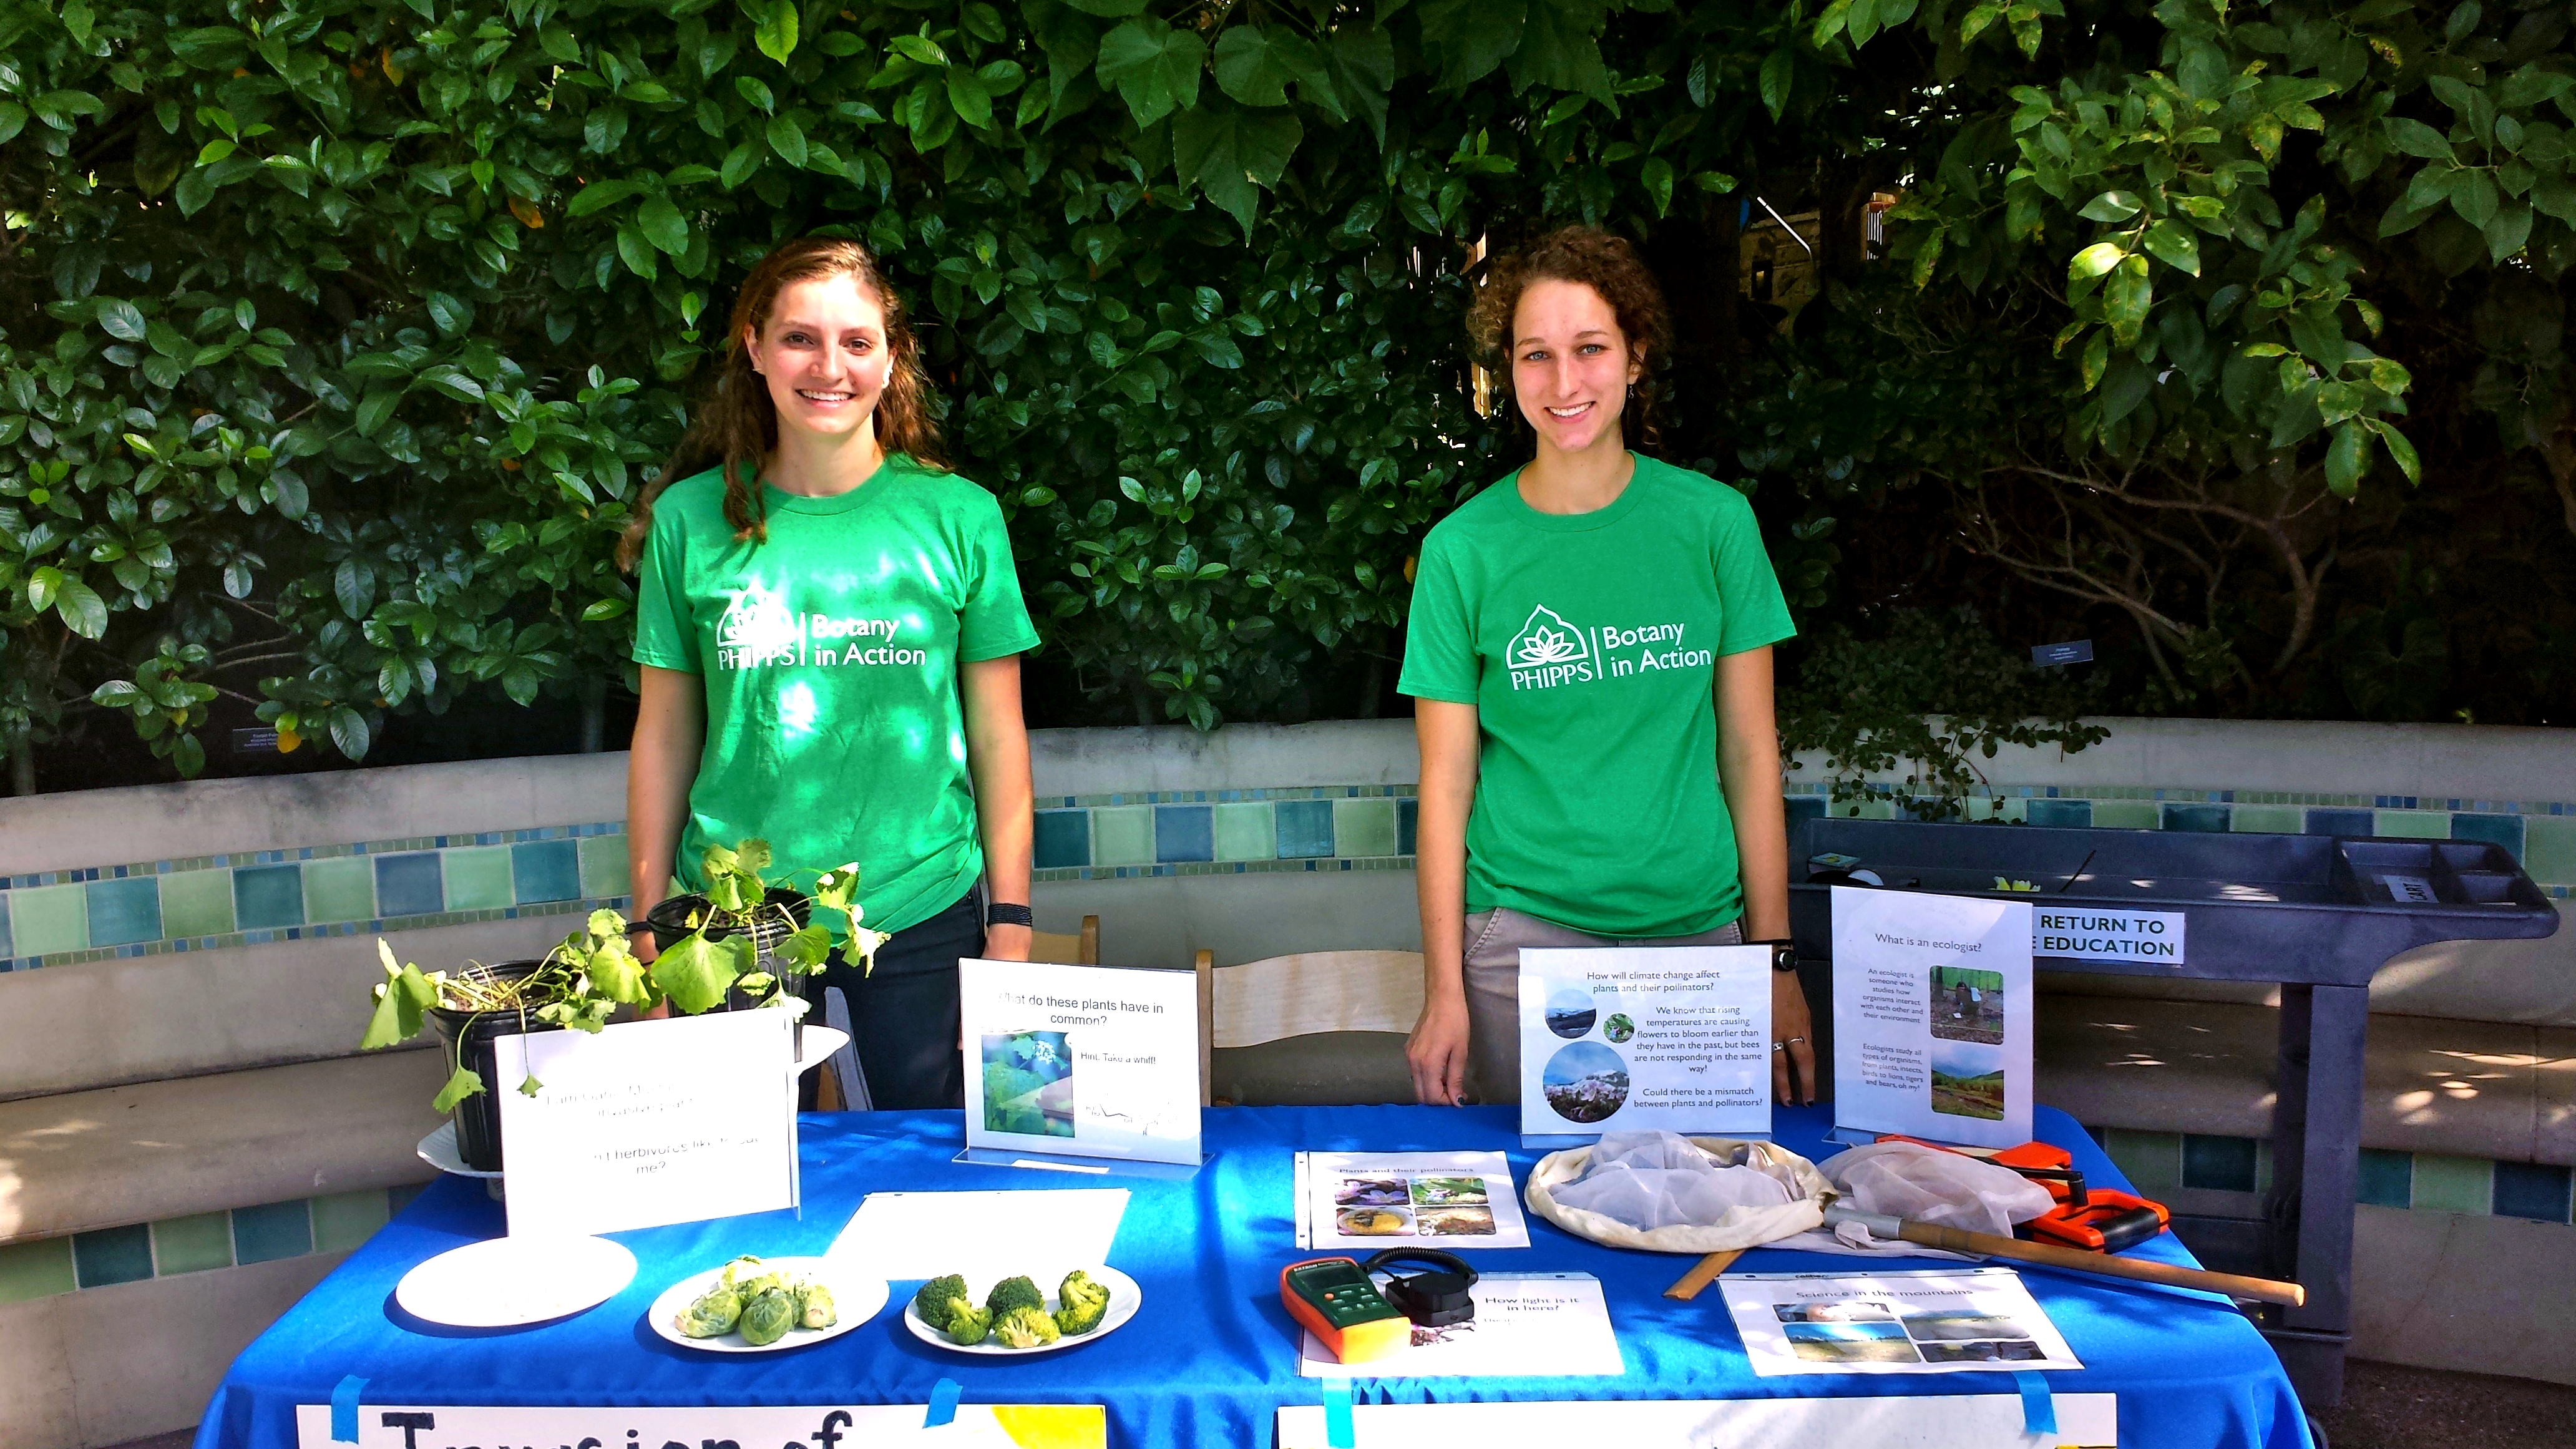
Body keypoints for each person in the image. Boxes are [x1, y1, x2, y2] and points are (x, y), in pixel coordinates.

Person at [1398, 225, 1819, 1110]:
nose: (1564, 383)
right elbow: (1445, 788)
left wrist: (1772, 958)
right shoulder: (1461, 553)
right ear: (1506, 371)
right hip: (1521, 950)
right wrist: (1442, 988)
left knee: (1709, 1207)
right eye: (1535, 355)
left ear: (1635, 357)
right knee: (1537, 1220)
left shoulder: (1715, 526)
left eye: (1590, 349)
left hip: (1700, 948)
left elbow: (1749, 755)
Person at [621, 235, 1039, 1109]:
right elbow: (664, 733)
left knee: (927, 1192)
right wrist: (645, 923)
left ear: (892, 360)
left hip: (920, 915)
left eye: (856, 342)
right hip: (729, 924)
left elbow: (999, 736)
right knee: (730, 1195)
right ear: (755, 348)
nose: (829, 366)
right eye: (800, 338)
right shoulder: (690, 523)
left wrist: (1011, 925)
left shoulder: (960, 518)